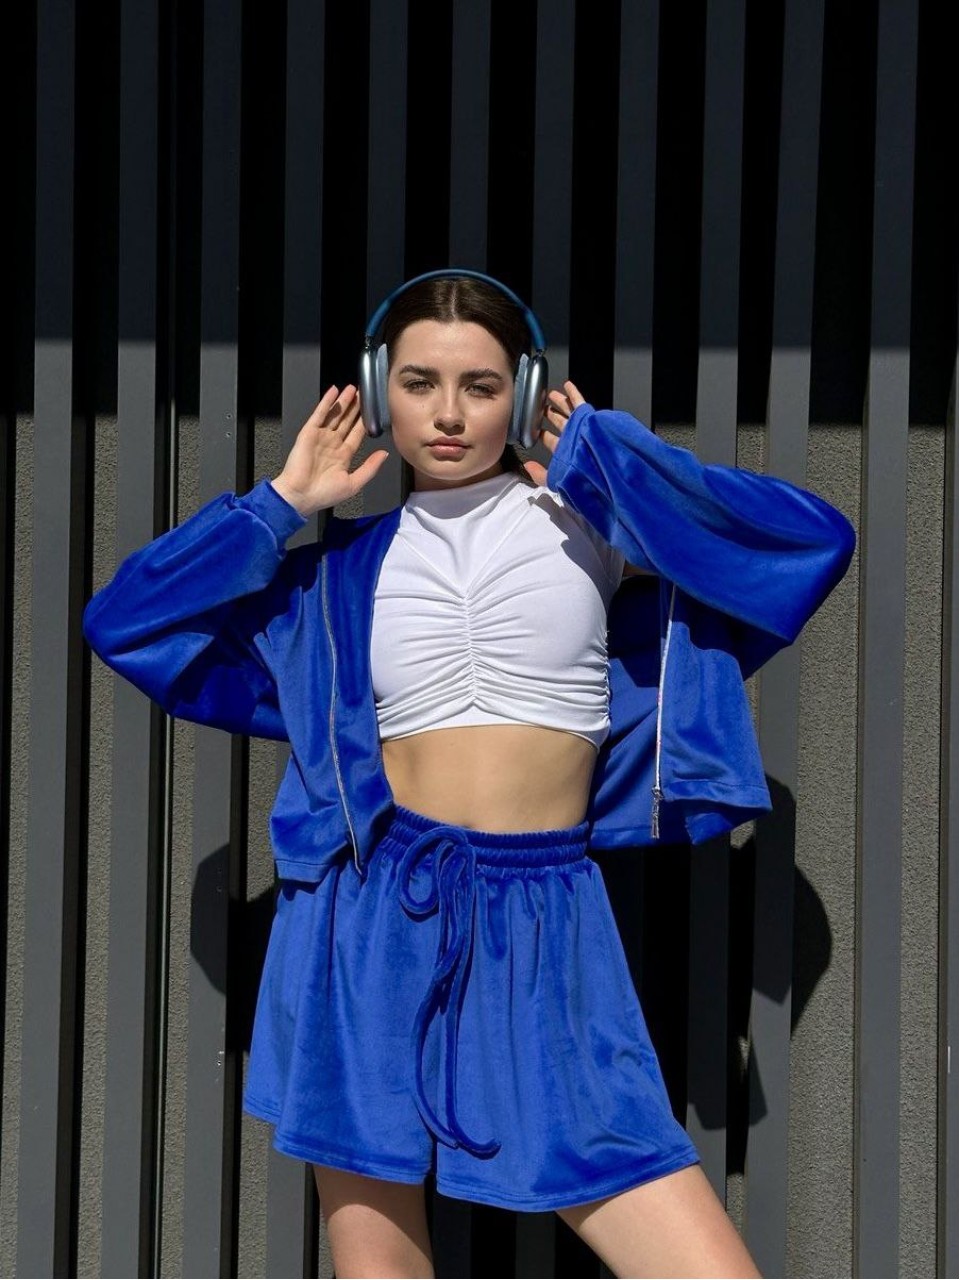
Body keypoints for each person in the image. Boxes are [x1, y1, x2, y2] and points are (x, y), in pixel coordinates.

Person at [83, 271, 855, 1278]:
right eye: (420, 382)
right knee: (382, 1267)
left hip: (546, 910)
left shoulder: (592, 531)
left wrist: (615, 465)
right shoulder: (335, 575)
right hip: (367, 911)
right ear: (380, 388)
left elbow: (810, 542)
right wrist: (277, 507)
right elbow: (125, 622)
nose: (448, 414)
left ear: (523, 392)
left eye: (480, 385)